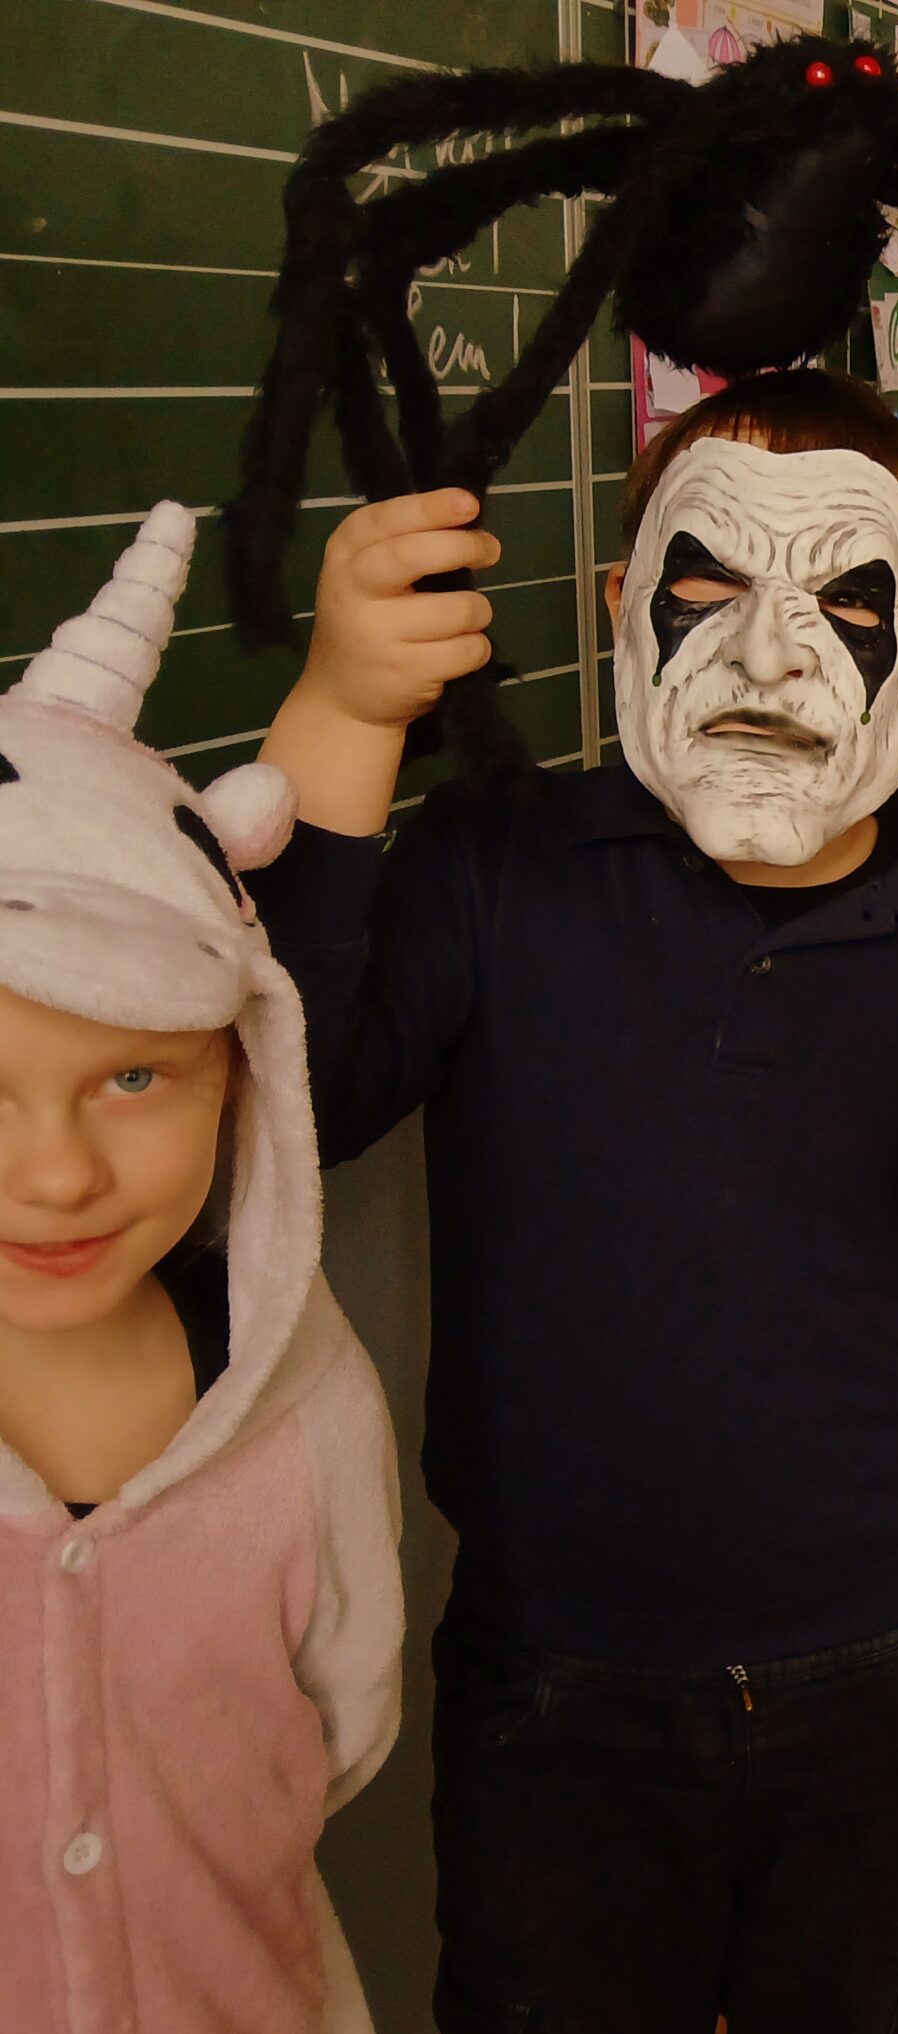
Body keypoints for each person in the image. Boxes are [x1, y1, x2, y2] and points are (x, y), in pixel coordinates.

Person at [244, 375, 898, 2033]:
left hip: (890, 1680)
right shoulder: (500, 867)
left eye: (848, 605)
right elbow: (285, 1108)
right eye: (711, 584)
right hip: (559, 1687)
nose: (768, 656)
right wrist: (345, 711)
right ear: (624, 605)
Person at [0, 504, 402, 2034]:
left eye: (134, 1078)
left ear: (239, 1071)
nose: (56, 1174)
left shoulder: (307, 1402)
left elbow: (339, 1727)